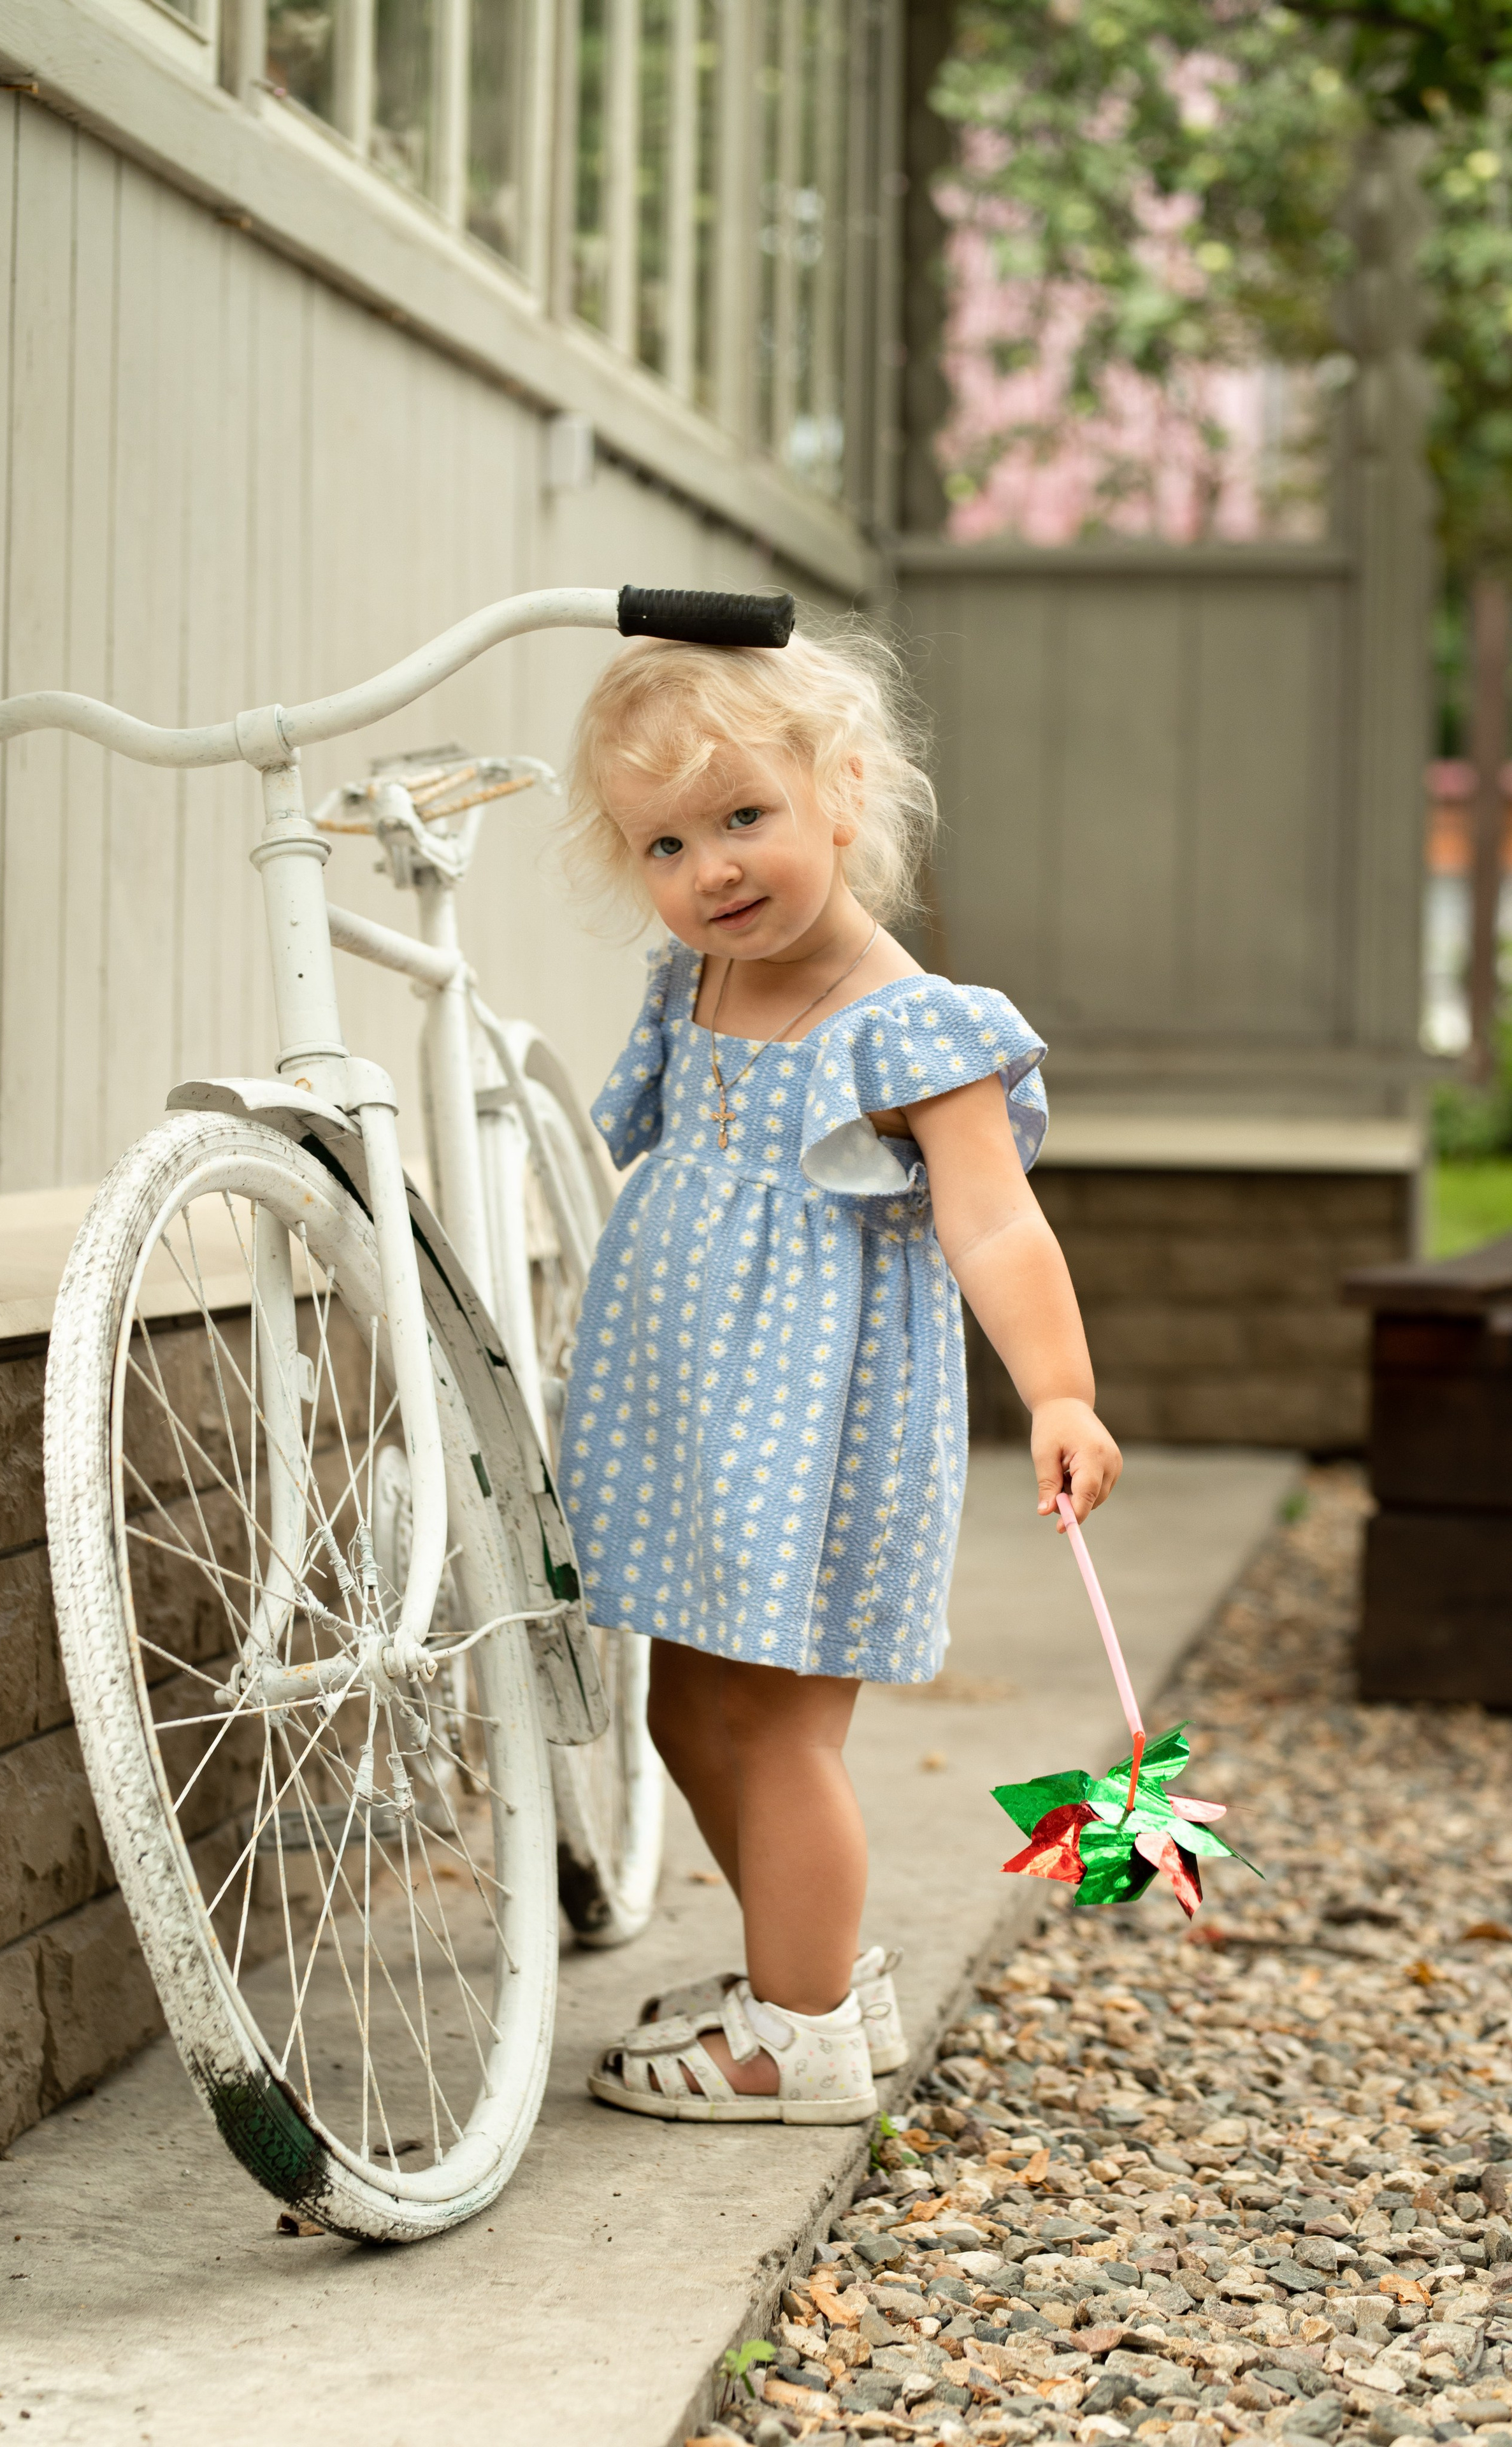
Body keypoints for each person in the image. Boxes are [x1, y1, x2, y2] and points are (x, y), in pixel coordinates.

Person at [559, 619, 1120, 2123]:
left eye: (744, 818)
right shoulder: (692, 987)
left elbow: (994, 1222)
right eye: (666, 843)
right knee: (687, 1712)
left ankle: (796, 2036)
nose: (711, 870)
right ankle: (801, 1968)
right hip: (691, 1417)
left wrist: (1058, 1389)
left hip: (813, 1436)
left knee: (783, 1728)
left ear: (845, 799)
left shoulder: (909, 1026)